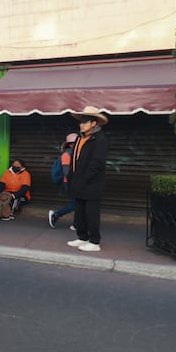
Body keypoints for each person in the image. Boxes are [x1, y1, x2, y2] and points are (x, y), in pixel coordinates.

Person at [67, 106, 109, 252]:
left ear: (94, 123)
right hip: (78, 181)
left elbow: (96, 163)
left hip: (92, 184)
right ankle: (82, 237)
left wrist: (84, 179)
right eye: (81, 121)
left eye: (85, 122)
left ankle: (94, 241)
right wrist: (71, 177)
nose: (81, 124)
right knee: (79, 213)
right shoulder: (79, 138)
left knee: (91, 214)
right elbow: (74, 159)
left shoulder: (100, 139)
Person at [48, 133, 78, 228]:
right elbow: (66, 172)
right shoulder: (67, 154)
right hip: (69, 182)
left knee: (79, 203)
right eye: (74, 143)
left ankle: (76, 224)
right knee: (76, 204)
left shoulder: (75, 154)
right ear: (70, 144)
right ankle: (56, 215)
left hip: (75, 182)